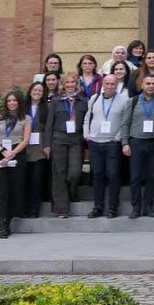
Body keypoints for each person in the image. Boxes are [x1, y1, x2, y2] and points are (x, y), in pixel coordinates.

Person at [84, 73, 128, 219]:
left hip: (112, 143)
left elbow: (125, 121)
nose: (110, 86)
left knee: (113, 174)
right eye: (107, 83)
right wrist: (86, 134)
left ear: (117, 85)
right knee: (97, 175)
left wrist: (118, 137)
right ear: (103, 84)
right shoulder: (94, 98)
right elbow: (87, 117)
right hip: (95, 142)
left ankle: (112, 207)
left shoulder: (123, 100)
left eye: (113, 84)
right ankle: (98, 206)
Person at [120, 73, 154, 219]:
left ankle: (148, 206)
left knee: (152, 176)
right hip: (136, 142)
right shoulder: (133, 101)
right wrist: (125, 143)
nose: (151, 86)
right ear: (142, 85)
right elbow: (125, 123)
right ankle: (136, 207)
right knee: (135, 177)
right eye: (148, 83)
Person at [45, 72, 88, 219]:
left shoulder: (83, 101)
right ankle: (62, 208)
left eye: (73, 82)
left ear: (77, 84)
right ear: (63, 85)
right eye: (67, 82)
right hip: (59, 139)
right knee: (59, 173)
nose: (70, 85)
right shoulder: (56, 101)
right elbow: (49, 124)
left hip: (76, 139)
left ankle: (71, 193)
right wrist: (47, 144)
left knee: (75, 172)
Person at [0, 90, 30, 238]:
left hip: (17, 154)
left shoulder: (26, 119)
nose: (12, 103)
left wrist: (12, 153)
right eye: (9, 101)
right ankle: (1, 225)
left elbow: (25, 139)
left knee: (14, 189)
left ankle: (8, 223)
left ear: (19, 102)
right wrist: (3, 151)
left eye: (14, 100)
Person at [21, 82, 50, 219]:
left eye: (40, 91)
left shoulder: (47, 107)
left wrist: (48, 145)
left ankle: (34, 209)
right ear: (30, 91)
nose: (37, 93)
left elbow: (49, 128)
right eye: (35, 90)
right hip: (25, 144)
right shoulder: (23, 107)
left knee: (37, 179)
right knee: (25, 179)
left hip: (40, 145)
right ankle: (24, 208)